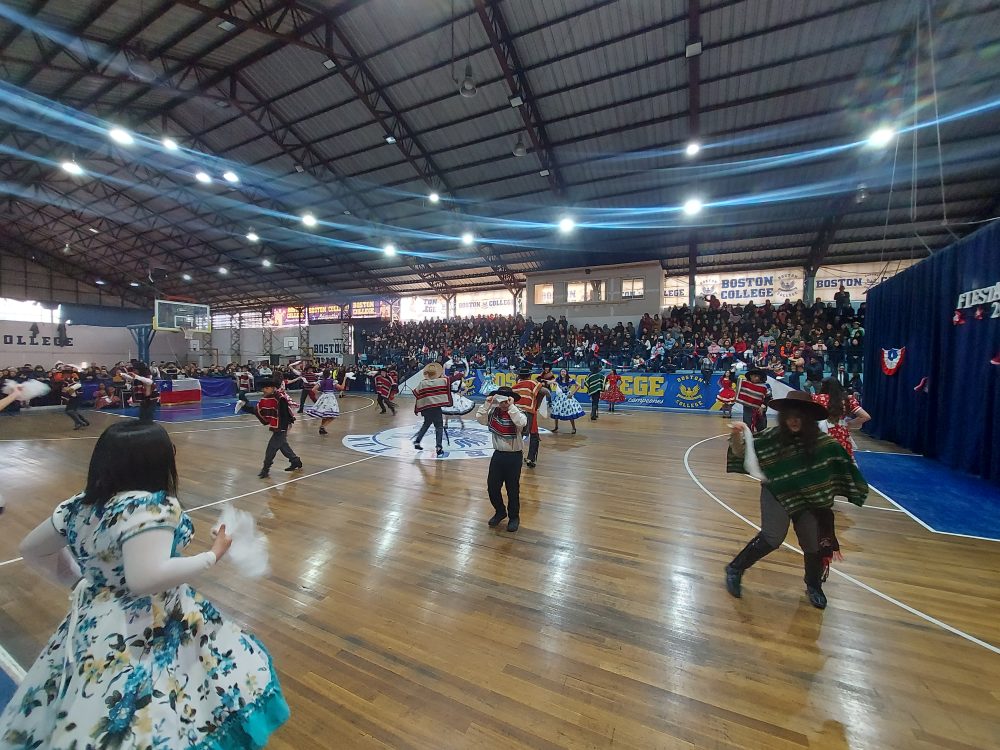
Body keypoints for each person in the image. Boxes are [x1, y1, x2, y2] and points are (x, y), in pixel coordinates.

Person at [0, 421, 289, 748]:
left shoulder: (77, 505)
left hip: (93, 618)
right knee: (156, 704)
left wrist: (79, 581)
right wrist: (212, 555)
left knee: (92, 700)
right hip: (149, 622)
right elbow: (144, 579)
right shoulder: (151, 506)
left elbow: (31, 549)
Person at [724, 391, 869, 609]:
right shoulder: (771, 437)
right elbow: (739, 452)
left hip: (810, 501)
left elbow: (843, 466)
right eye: (790, 415)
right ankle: (735, 568)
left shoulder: (824, 444)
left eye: (800, 416)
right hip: (777, 493)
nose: (794, 420)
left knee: (813, 543)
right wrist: (737, 435)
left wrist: (845, 486)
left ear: (809, 418)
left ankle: (814, 585)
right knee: (773, 537)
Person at [476, 386, 528, 532]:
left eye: (506, 400)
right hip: (498, 455)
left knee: (512, 489)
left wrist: (511, 407)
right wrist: (487, 403)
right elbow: (480, 419)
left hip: (514, 456)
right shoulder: (493, 413)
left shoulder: (518, 412)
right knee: (492, 487)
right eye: (501, 400)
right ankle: (500, 511)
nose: (503, 403)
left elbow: (521, 423)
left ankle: (514, 517)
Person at [811, 377, 871, 461]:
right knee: (841, 457)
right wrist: (849, 423)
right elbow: (866, 416)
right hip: (840, 431)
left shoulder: (816, 398)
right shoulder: (848, 399)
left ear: (823, 386)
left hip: (820, 431)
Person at [254, 379, 302, 477]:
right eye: (263, 388)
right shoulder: (267, 398)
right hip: (278, 426)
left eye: (266, 388)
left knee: (271, 448)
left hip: (282, 426)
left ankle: (265, 469)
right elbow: (259, 410)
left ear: (273, 388)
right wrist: (244, 406)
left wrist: (283, 428)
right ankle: (295, 461)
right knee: (283, 445)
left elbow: (285, 415)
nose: (264, 390)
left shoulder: (280, 398)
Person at [512, 365, 551, 469]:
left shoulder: (516, 386)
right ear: (529, 375)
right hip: (529, 412)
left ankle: (516, 458)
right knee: (534, 436)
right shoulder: (532, 383)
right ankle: (530, 458)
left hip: (516, 413)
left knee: (517, 436)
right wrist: (544, 400)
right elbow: (546, 392)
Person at [412, 361, 452, 457]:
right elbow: (449, 380)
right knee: (439, 427)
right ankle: (438, 447)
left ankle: (417, 441)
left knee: (426, 424)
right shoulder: (441, 381)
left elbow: (417, 393)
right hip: (436, 408)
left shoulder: (423, 383)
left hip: (426, 409)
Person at [305, 368, 344, 435]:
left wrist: (320, 392)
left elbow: (313, 389)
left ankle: (322, 428)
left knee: (325, 415)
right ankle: (322, 426)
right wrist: (345, 379)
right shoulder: (332, 381)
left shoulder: (321, 381)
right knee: (333, 415)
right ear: (330, 374)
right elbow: (341, 388)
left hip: (324, 396)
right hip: (330, 398)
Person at [736, 368, 771, 434]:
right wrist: (732, 372)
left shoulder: (766, 386)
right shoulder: (745, 384)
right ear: (750, 376)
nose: (757, 378)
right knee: (747, 427)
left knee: (762, 428)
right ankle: (748, 441)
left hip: (760, 409)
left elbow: (768, 397)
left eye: (758, 376)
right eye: (755, 376)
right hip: (748, 409)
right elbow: (733, 379)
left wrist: (763, 406)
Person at [550, 368, 584, 433]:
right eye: (561, 371)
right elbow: (551, 381)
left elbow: (578, 385)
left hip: (567, 397)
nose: (563, 373)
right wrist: (545, 381)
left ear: (566, 373)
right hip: (559, 397)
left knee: (570, 412)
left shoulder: (570, 380)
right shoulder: (558, 379)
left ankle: (573, 428)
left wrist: (572, 393)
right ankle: (556, 427)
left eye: (564, 372)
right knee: (556, 411)